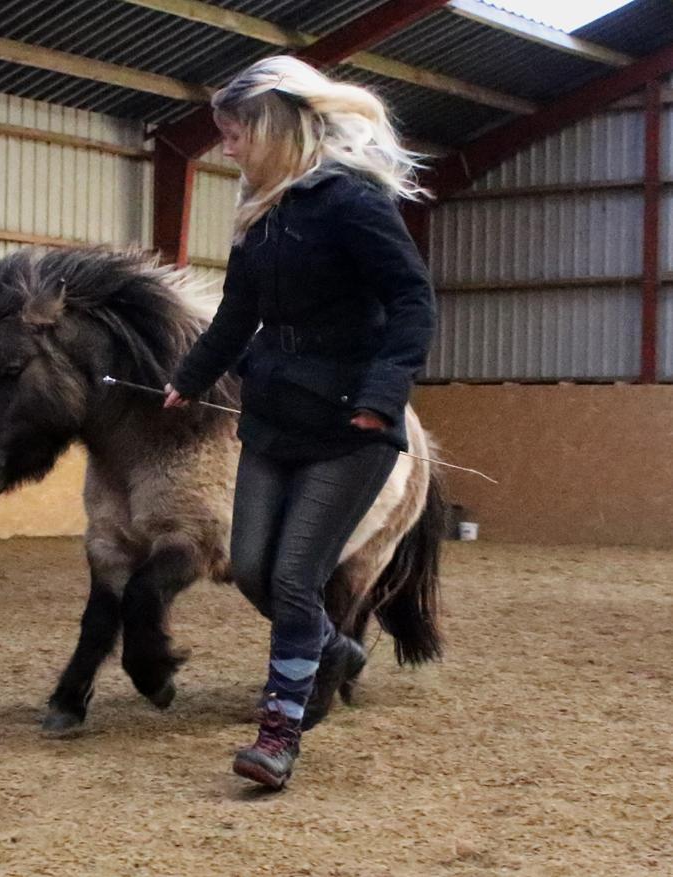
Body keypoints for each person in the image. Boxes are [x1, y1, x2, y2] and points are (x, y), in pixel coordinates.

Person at [163, 55, 437, 790]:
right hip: (275, 416)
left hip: (352, 422)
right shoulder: (261, 213)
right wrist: (187, 379)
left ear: (271, 124)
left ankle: (278, 733)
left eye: (232, 132)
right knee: (249, 566)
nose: (225, 147)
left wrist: (384, 391)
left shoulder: (354, 203)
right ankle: (334, 649)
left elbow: (413, 303)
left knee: (292, 575)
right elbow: (236, 315)